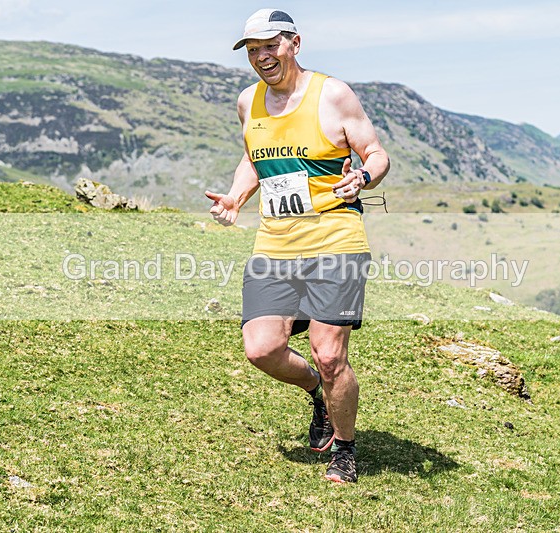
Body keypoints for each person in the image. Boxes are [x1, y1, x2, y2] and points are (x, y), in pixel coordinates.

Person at [204, 8, 390, 483]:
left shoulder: (333, 94)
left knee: (331, 355)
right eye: (253, 50)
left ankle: (344, 450)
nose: (262, 57)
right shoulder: (250, 102)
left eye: (270, 46)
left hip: (335, 238)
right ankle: (316, 394)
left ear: (295, 43)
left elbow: (376, 153)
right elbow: (255, 156)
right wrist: (236, 196)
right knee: (261, 348)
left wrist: (363, 177)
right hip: (276, 243)